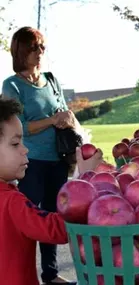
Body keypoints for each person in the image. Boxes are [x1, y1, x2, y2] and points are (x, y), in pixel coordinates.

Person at [1, 27, 79, 285]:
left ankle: (50, 272)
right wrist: (52, 120)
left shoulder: (51, 79)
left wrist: (67, 120)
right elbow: (19, 125)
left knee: (52, 210)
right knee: (32, 217)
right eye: (34, 48)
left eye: (42, 47)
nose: (39, 52)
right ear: (21, 51)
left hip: (56, 158)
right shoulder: (12, 85)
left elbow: (65, 110)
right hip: (31, 163)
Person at [0, 98, 103, 285]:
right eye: (15, 144)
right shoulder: (10, 202)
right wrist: (84, 178)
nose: (25, 150)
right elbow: (58, 229)